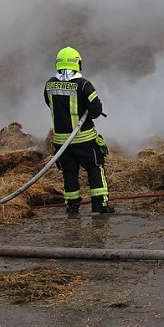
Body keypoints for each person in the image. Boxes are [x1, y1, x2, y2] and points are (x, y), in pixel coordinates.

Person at [44, 46, 113, 217]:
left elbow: (49, 103)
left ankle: (72, 208)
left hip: (62, 142)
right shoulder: (83, 85)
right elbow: (96, 111)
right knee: (95, 169)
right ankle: (99, 206)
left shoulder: (50, 84)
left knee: (69, 173)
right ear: (78, 63)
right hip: (84, 140)